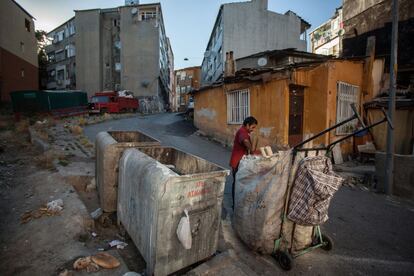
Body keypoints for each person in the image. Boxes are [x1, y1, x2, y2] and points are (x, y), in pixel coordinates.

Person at [229, 116, 258, 210]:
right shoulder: (242, 132)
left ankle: (237, 203)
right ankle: (235, 205)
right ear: (247, 125)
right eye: (252, 127)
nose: (253, 129)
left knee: (239, 183)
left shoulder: (245, 132)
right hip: (237, 162)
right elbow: (245, 141)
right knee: (237, 183)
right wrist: (252, 148)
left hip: (240, 161)